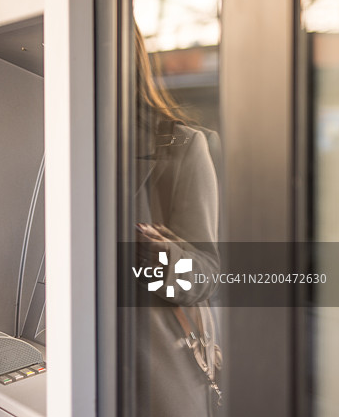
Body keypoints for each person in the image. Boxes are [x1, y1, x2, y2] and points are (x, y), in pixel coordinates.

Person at [131, 24, 222, 417]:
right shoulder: (59, 142)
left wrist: (159, 256)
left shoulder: (181, 145)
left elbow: (207, 274)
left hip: (153, 375)